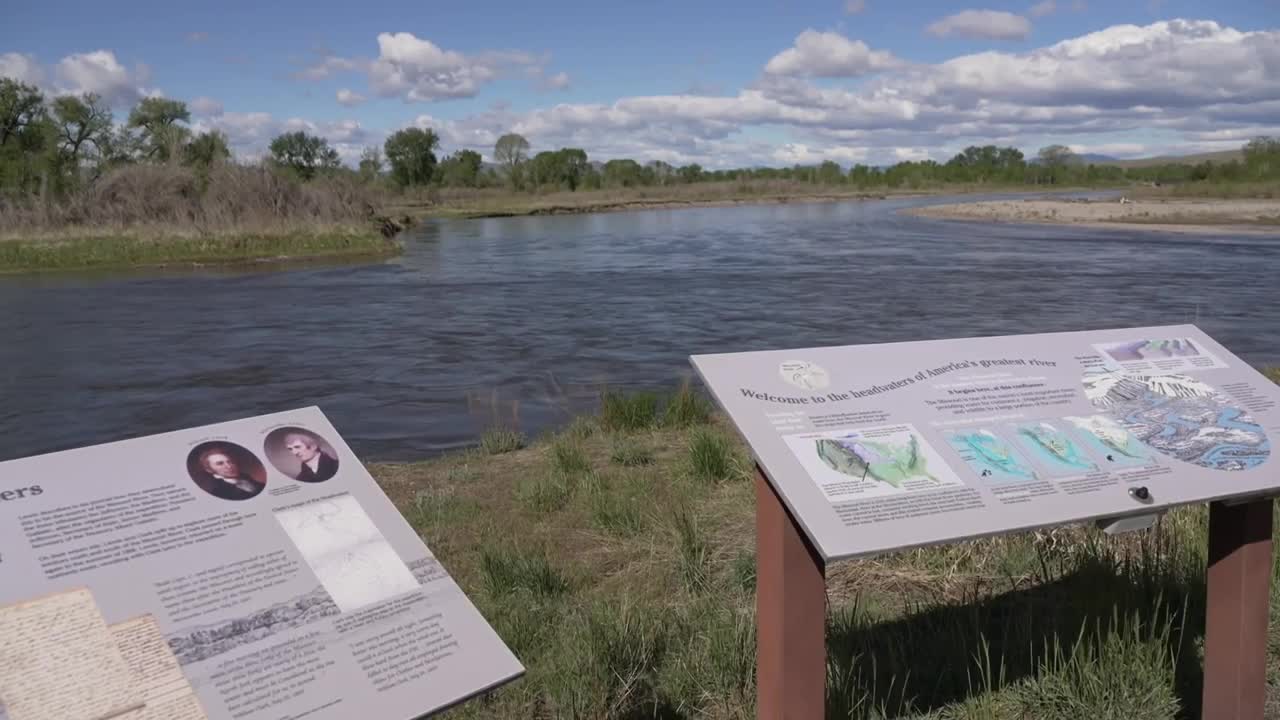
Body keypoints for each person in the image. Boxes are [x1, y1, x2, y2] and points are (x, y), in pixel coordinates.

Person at [196, 446, 265, 500]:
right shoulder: (218, 491)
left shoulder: (246, 477)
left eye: (230, 461)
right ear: (209, 469)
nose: (229, 466)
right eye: (220, 463)